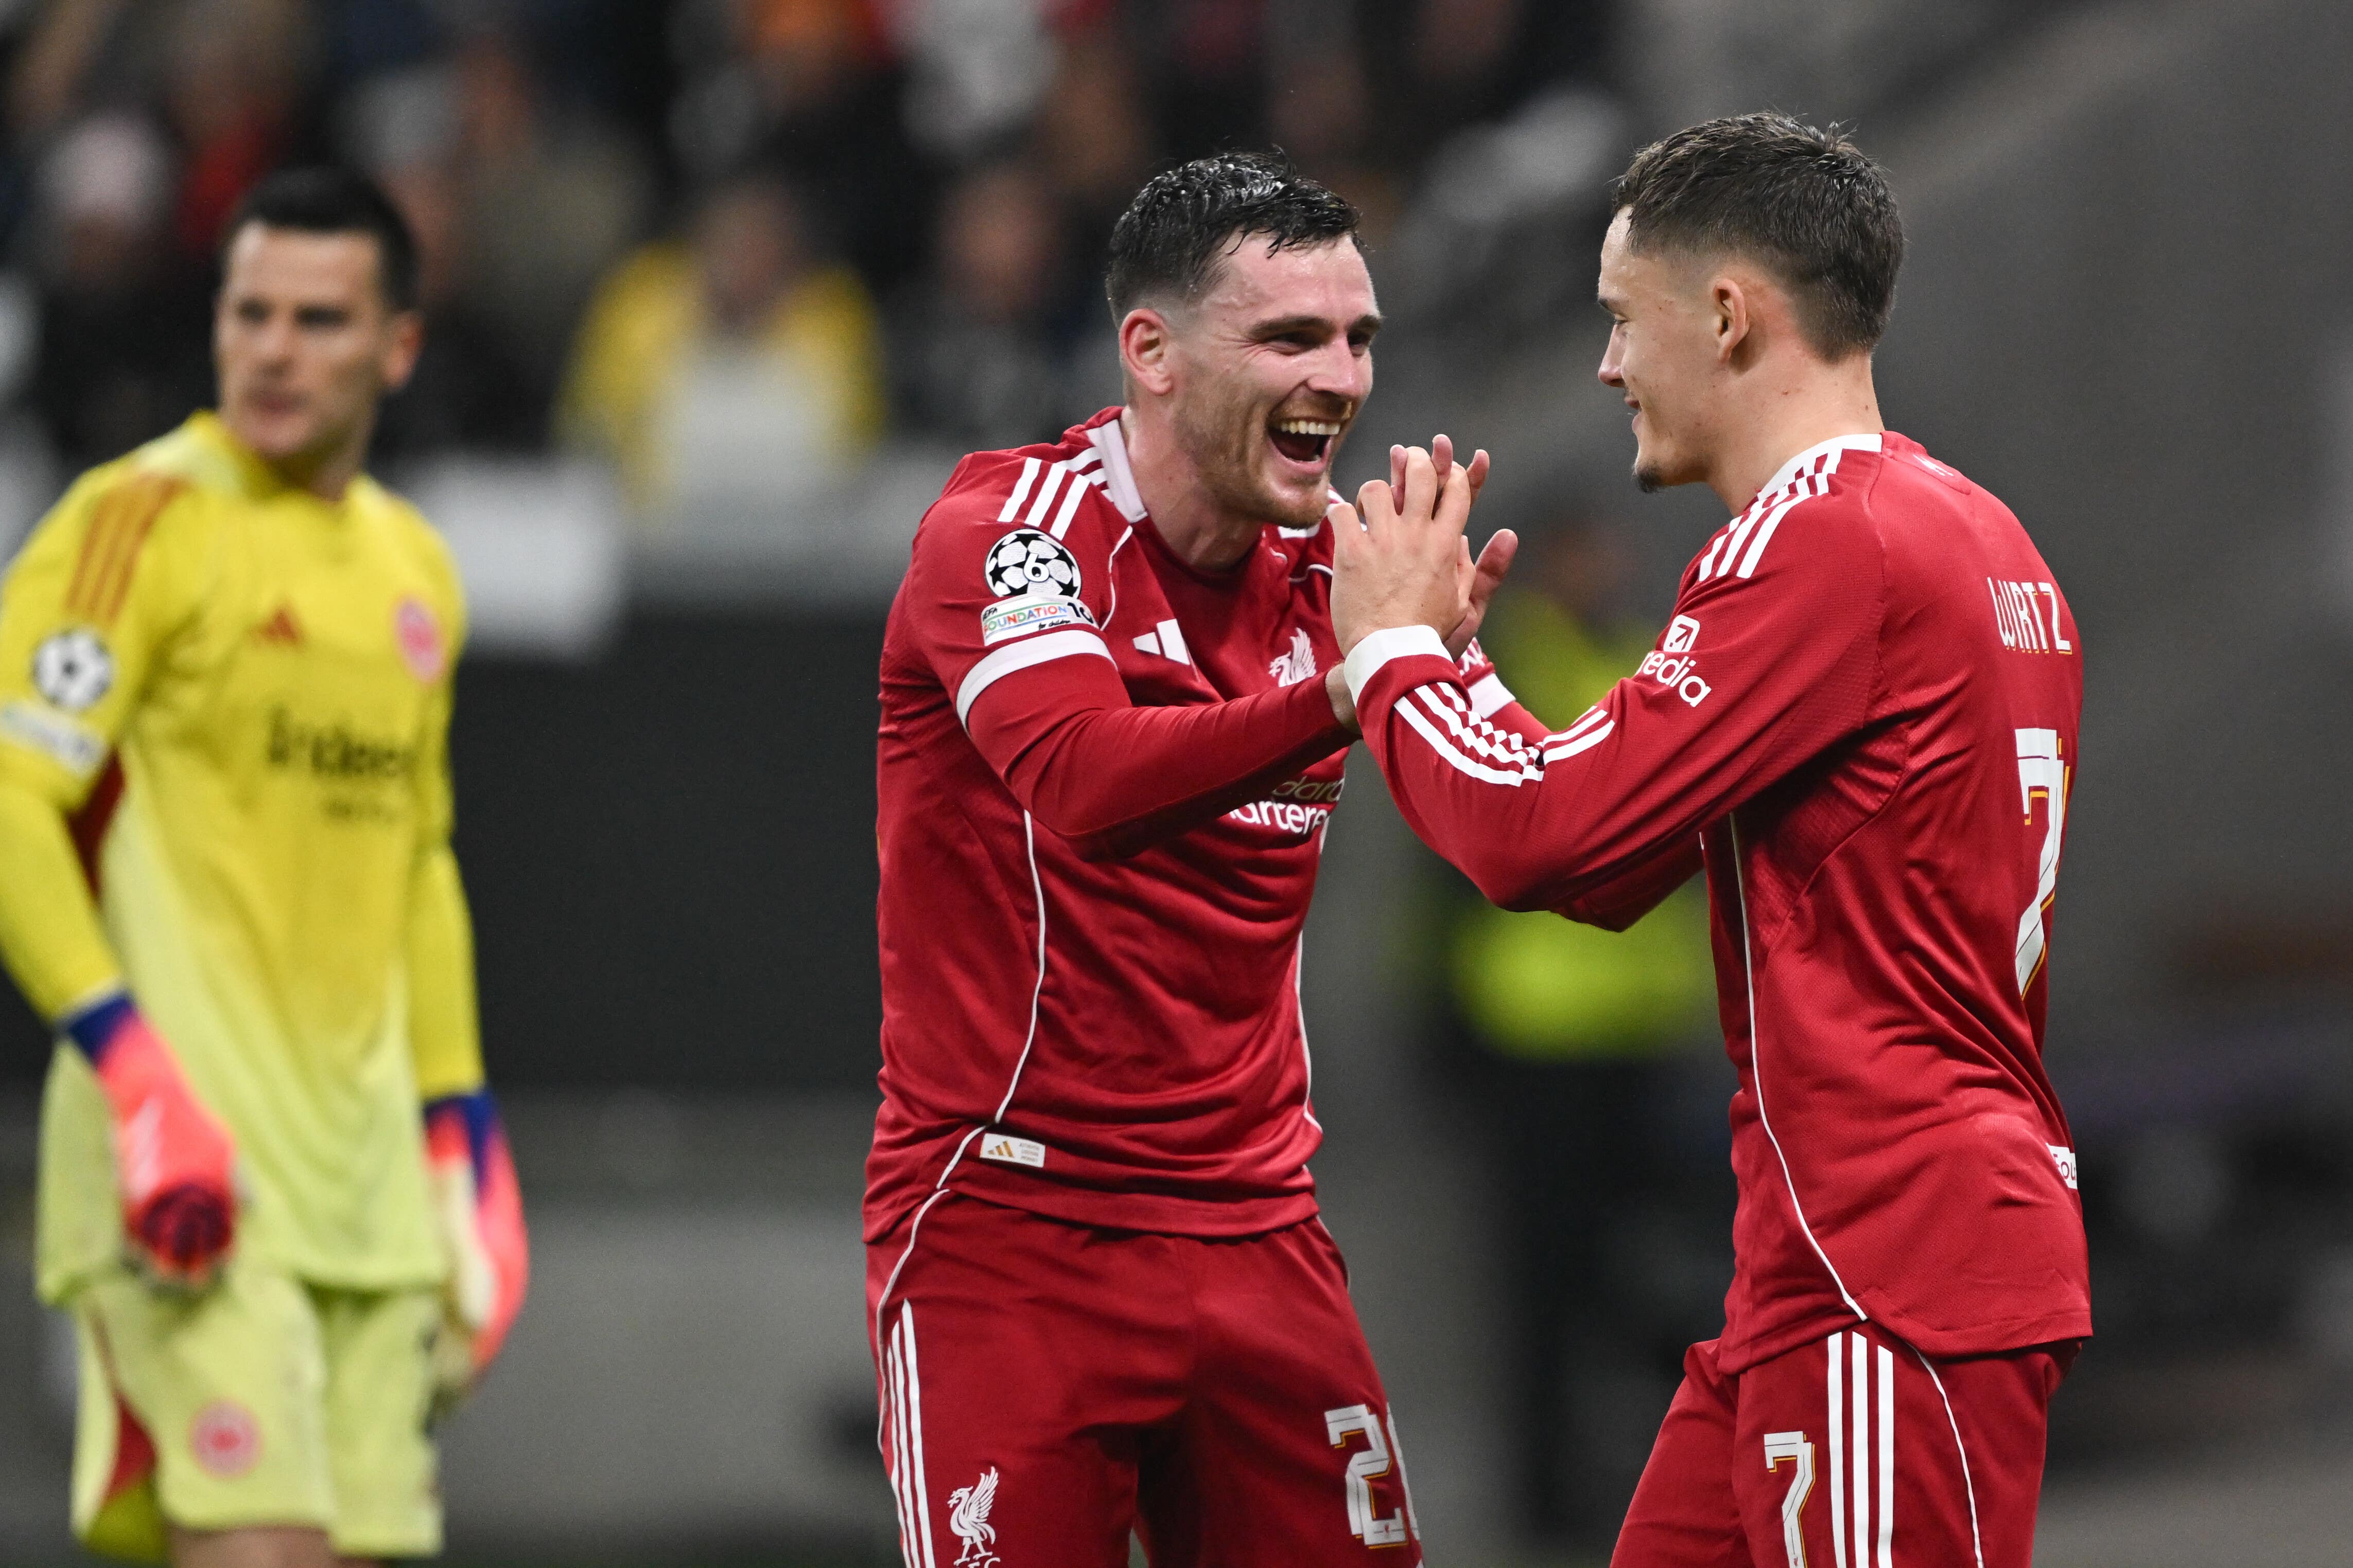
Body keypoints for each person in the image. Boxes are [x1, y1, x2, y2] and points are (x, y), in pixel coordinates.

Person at [1329, 114, 2089, 1567]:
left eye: (1621, 320)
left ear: (1728, 317)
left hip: (1885, 1266)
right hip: (1835, 1263)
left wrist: (1389, 662)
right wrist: (1463, 673)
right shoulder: (1980, 534)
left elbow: (1541, 840)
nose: (1605, 365)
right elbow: (1605, 863)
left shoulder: (1819, 542)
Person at [868, 151, 1502, 1564]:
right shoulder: (1013, 538)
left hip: (1256, 1228)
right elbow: (1080, 782)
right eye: (1288, 338)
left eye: (1357, 339)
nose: (1339, 378)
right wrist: (1350, 690)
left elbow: (1525, 822)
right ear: (1148, 352)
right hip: (1012, 1226)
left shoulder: (1351, 571)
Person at [0, 168, 528, 1567]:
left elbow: (417, 865)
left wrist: (461, 1141)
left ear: (397, 348)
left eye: (317, 319)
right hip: (191, 1182)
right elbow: (10, 805)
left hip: (364, 1199)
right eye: (250, 312)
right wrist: (133, 1073)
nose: (274, 349)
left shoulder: (412, 568)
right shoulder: (139, 523)